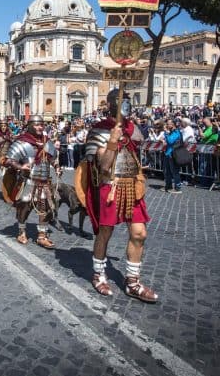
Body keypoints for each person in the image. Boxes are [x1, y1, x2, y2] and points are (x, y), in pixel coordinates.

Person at [80, 89, 157, 302]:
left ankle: (132, 281)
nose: (126, 106)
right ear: (111, 104)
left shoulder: (134, 129)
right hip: (110, 186)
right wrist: (112, 142)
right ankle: (98, 273)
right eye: (122, 101)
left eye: (128, 102)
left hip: (132, 186)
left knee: (139, 233)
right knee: (105, 232)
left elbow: (138, 149)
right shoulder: (99, 130)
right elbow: (104, 166)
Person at [2, 115, 59, 249]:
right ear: (30, 126)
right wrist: (20, 167)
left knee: (44, 207)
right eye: (37, 125)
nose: (40, 127)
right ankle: (22, 231)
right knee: (25, 208)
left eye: (42, 125)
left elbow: (52, 159)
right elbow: (8, 160)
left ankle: (42, 236)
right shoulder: (22, 141)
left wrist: (57, 167)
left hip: (44, 181)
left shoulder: (47, 141)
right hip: (28, 181)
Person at [163, 119, 182, 194]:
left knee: (174, 171)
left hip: (173, 154)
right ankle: (168, 186)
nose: (167, 125)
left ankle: (178, 187)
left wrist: (166, 134)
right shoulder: (170, 132)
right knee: (167, 171)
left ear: (173, 124)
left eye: (168, 124)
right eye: (167, 124)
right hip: (168, 153)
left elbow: (170, 141)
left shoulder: (176, 132)